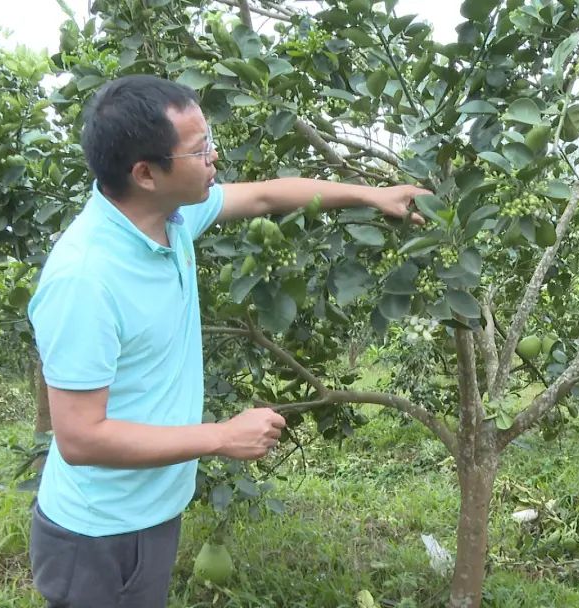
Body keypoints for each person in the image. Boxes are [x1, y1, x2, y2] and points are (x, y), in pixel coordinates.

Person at [26, 75, 428, 607]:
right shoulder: (85, 277)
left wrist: (371, 194)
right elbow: (79, 438)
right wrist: (219, 437)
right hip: (100, 534)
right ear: (145, 172)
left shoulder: (170, 217)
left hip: (149, 512)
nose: (214, 158)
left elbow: (263, 196)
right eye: (199, 150)